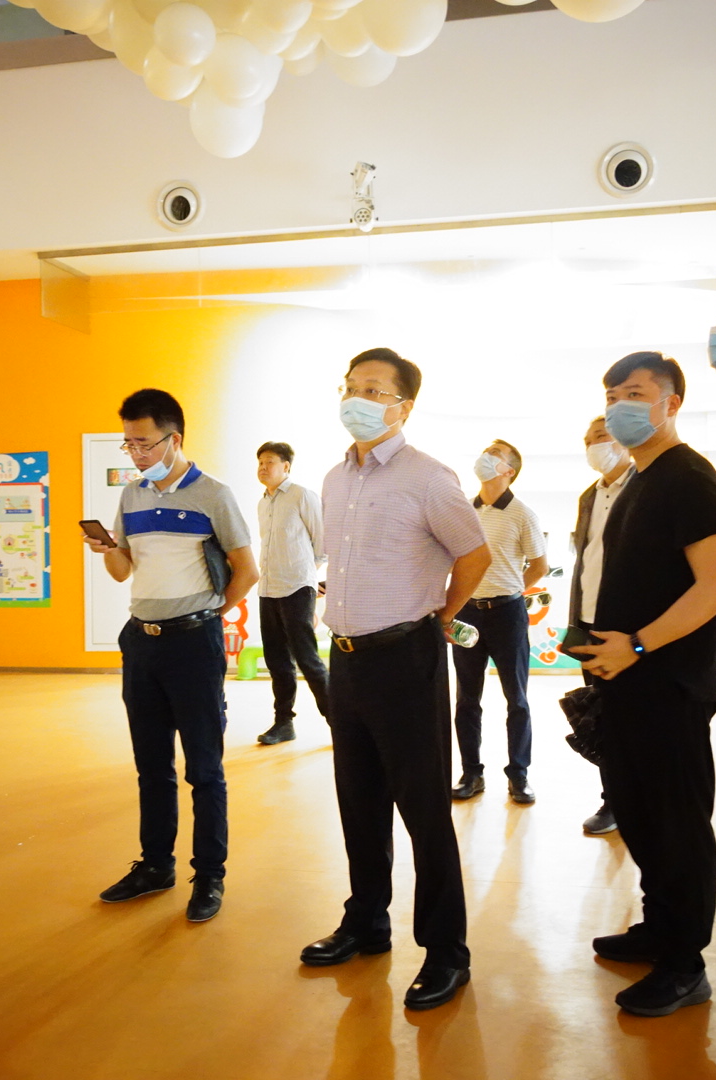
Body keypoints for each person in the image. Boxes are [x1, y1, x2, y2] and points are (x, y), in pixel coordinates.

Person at [298, 347, 491, 1013]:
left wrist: (443, 613)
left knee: (424, 809)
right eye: (350, 386)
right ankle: (366, 922)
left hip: (406, 658)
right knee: (358, 800)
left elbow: (474, 553)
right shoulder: (334, 478)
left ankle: (446, 951)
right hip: (346, 658)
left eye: (374, 390)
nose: (357, 398)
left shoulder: (429, 477)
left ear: (403, 406)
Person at [571, 351, 716, 1017]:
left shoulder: (689, 477)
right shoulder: (637, 479)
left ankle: (686, 963)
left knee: (677, 824)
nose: (619, 407)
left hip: (669, 684)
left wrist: (638, 644)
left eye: (635, 394)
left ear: (672, 403)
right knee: (638, 812)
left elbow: (715, 585)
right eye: (612, 396)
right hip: (626, 684)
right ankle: (659, 927)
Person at [84, 389, 258, 924]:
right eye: (129, 444)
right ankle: (156, 865)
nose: (135, 454)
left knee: (204, 768)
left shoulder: (214, 494)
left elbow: (247, 570)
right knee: (152, 765)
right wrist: (108, 549)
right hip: (141, 641)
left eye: (144, 443)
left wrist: (208, 615)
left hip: (193, 644)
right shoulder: (132, 495)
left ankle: (209, 876)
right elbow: (123, 571)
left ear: (173, 439)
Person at [451, 439, 547, 804]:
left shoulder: (523, 513)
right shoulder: (463, 509)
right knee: (466, 699)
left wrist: (510, 587)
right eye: (486, 451)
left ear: (509, 470)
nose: (485, 457)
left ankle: (518, 775)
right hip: (467, 612)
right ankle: (471, 773)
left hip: (508, 614)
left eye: (495, 454)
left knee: (516, 699)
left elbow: (539, 565)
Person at [566, 416, 631, 835]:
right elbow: (585, 561)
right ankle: (613, 800)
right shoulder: (589, 496)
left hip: (628, 629)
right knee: (599, 716)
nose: (594, 445)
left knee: (633, 716)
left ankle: (640, 797)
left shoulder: (644, 486)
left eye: (602, 436)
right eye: (588, 439)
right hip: (589, 621)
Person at [252, 441, 329, 745]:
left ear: (286, 466)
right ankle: (283, 723)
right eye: (260, 462)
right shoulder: (263, 503)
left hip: (297, 587)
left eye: (269, 461)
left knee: (307, 659)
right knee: (277, 660)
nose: (263, 467)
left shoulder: (301, 495)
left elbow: (323, 542)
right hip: (268, 588)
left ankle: (341, 724)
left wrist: (309, 577)